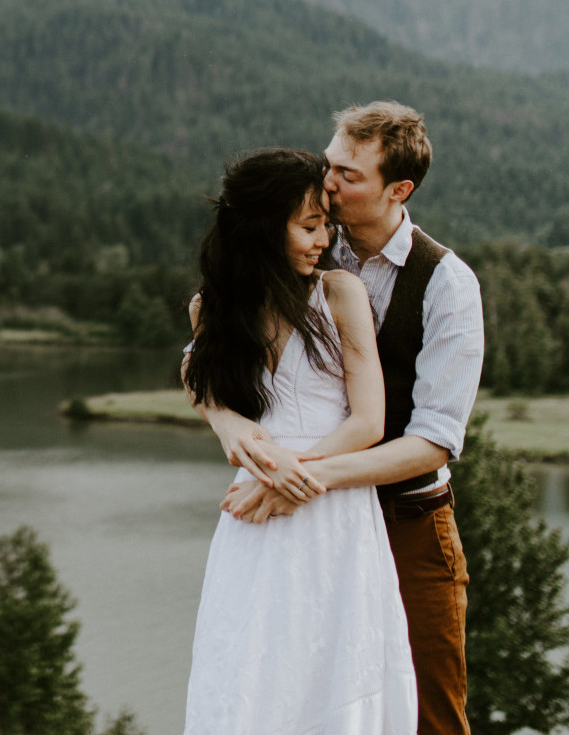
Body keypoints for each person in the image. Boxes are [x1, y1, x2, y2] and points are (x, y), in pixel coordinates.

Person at [206, 103, 485, 735]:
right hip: (311, 529)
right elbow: (207, 351)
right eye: (329, 164)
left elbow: (432, 443)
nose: (328, 183)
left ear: (399, 190)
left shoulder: (446, 285)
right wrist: (227, 423)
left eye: (349, 176)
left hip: (407, 524)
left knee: (428, 716)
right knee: (302, 702)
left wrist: (296, 478)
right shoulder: (299, 249)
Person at [180, 147, 416, 734]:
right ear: (263, 228)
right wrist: (227, 424)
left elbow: (369, 423)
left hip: (331, 506)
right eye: (309, 226)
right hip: (253, 513)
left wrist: (291, 472)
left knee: (332, 669)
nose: (323, 240)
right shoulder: (212, 308)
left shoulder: (341, 294)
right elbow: (201, 380)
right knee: (245, 669)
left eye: (326, 226)